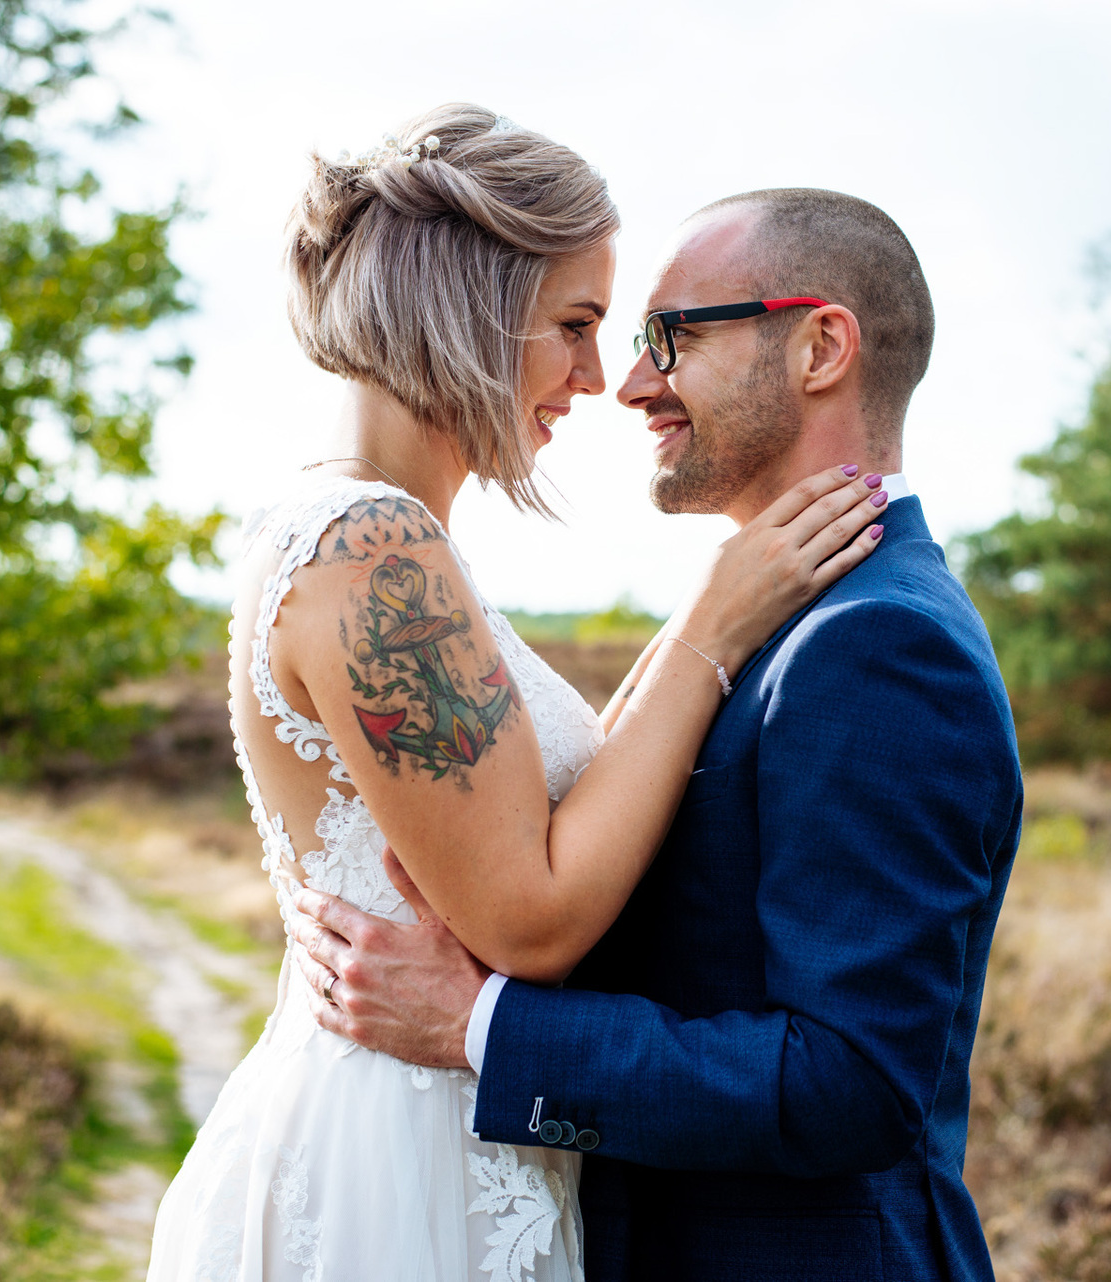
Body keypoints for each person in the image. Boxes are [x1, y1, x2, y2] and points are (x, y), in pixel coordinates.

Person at [144, 105, 888, 1282]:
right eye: (576, 326)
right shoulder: (373, 548)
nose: (597, 379)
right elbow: (530, 919)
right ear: (468, 314)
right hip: (400, 1173)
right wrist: (711, 621)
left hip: (444, 1130)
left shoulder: (375, 536)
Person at [290, 186, 1025, 1281]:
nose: (630, 384)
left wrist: (480, 1026)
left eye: (670, 339)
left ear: (821, 346)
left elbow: (852, 1084)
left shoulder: (877, 646)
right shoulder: (773, 616)